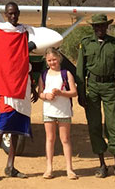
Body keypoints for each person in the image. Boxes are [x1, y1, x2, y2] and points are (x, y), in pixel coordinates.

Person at [0, 2, 37, 180]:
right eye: (10, 14)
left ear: (19, 13)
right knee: (2, 127)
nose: (13, 16)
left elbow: (25, 60)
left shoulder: (24, 32)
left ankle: (10, 166)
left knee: (15, 129)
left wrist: (33, 84)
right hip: (7, 88)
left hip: (22, 85)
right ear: (6, 14)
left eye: (15, 13)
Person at [75, 13, 115, 179]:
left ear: (107, 26)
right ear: (93, 27)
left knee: (113, 125)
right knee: (94, 125)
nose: (100, 28)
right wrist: (81, 93)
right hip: (92, 87)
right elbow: (80, 71)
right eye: (96, 26)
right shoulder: (85, 44)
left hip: (109, 87)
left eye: (103, 25)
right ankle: (102, 165)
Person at [37, 47, 79, 180]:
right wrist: (45, 96)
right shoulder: (44, 75)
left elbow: (74, 92)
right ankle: (49, 168)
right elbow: (40, 93)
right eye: (49, 60)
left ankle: (69, 168)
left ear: (59, 59)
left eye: (54, 59)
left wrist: (61, 93)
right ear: (46, 61)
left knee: (65, 139)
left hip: (64, 111)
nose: (52, 62)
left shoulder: (66, 74)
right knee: (50, 138)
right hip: (49, 111)